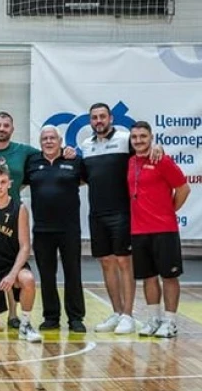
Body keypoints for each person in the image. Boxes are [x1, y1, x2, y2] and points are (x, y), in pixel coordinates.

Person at [0, 112, 78, 330]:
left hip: (12, 213)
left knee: (13, 259)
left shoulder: (25, 152)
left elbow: (48, 154)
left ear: (12, 129)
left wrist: (68, 150)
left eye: (6, 125)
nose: (2, 128)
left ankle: (15, 315)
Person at [80, 103, 162, 335]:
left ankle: (128, 315)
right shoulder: (86, 146)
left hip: (122, 213)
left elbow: (145, 149)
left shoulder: (125, 139)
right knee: (106, 262)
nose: (98, 121)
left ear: (111, 118)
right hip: (97, 214)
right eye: (94, 117)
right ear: (90, 121)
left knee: (125, 262)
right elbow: (84, 177)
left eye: (102, 116)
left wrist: (158, 146)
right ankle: (116, 312)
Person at [128, 121, 190, 338]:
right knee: (149, 277)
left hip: (164, 229)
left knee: (169, 277)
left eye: (143, 136)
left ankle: (170, 322)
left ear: (151, 137)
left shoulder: (162, 160)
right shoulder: (130, 162)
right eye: (134, 137)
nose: (138, 141)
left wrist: (169, 211)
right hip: (139, 230)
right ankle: (154, 318)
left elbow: (183, 188)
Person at [24, 126, 88, 333]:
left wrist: (73, 154)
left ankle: (76, 318)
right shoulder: (32, 162)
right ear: (40, 142)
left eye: (52, 138)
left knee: (73, 273)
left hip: (69, 229)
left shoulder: (74, 160)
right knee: (46, 275)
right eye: (45, 138)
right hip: (42, 230)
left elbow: (87, 179)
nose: (49, 141)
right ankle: (51, 317)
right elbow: (17, 183)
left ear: (60, 141)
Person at [0, 167, 42, 343]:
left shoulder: (19, 208)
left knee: (27, 279)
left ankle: (25, 325)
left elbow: (25, 247)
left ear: (10, 184)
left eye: (3, 182)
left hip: (11, 266)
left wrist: (12, 275)